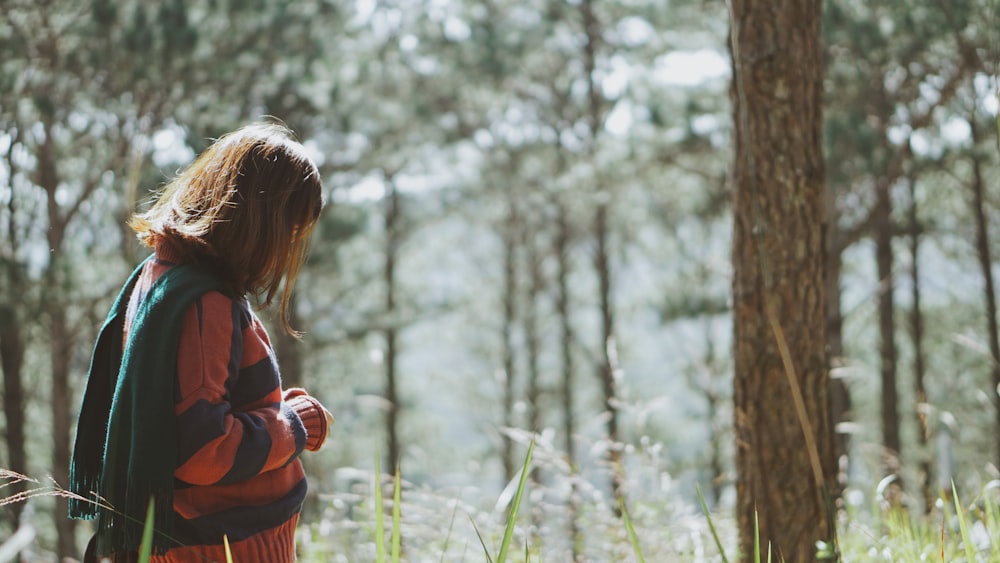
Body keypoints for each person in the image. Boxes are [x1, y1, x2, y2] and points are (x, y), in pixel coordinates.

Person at [69, 122, 333, 562]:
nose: (287, 250)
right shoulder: (204, 305)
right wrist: (294, 424)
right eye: (289, 231)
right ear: (259, 220)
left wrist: (270, 410)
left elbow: (181, 416)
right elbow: (203, 450)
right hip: (223, 545)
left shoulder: (159, 278)